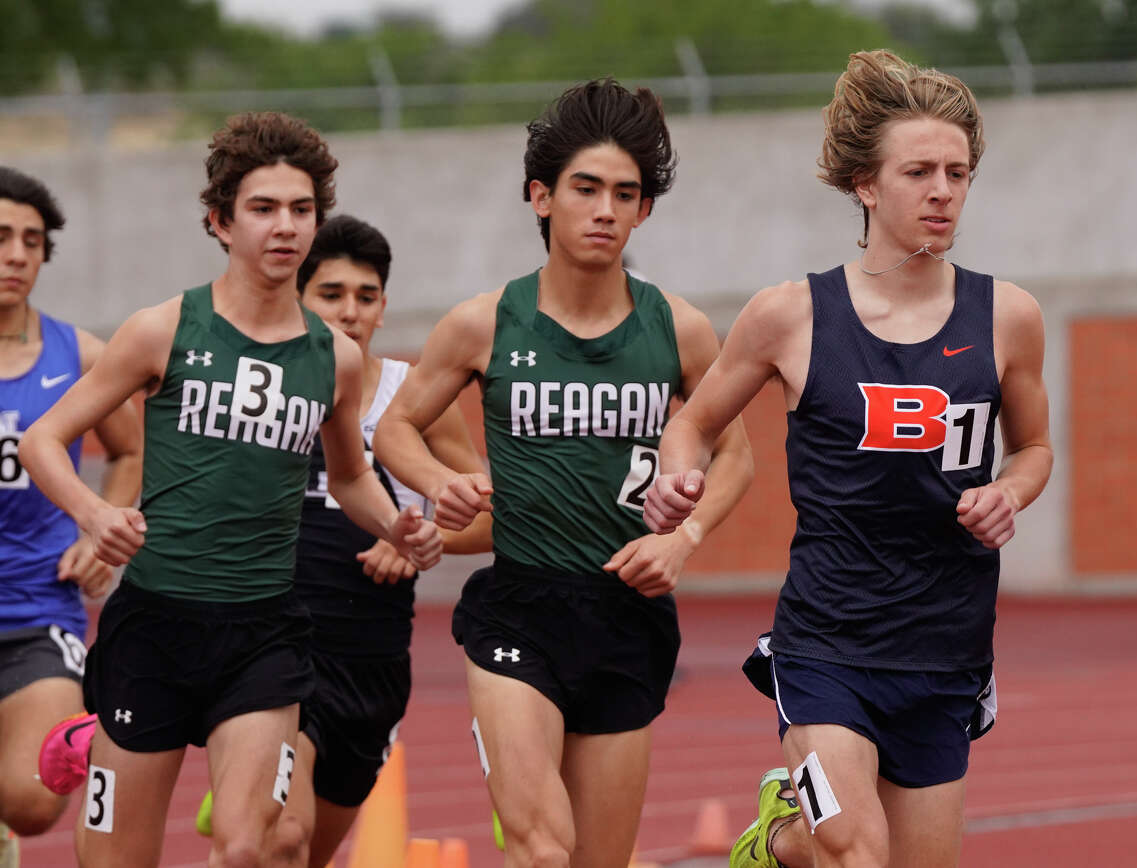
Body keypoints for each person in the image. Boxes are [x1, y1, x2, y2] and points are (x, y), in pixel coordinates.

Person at [643, 50, 1053, 868]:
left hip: (946, 649)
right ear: (867, 185)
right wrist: (674, 474)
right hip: (829, 645)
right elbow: (693, 424)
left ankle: (787, 841)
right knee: (857, 852)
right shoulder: (790, 316)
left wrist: (1011, 490)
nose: (943, 190)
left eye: (958, 173)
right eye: (919, 172)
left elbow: (1035, 448)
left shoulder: (1008, 316)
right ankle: (800, 832)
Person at [19, 112, 443, 868]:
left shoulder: (334, 360)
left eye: (302, 210)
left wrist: (395, 525)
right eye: (264, 209)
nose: (286, 227)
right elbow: (44, 439)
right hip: (155, 624)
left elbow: (348, 474)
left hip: (262, 634)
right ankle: (99, 741)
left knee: (252, 845)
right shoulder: (163, 330)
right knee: (116, 860)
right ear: (219, 221)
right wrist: (93, 512)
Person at [372, 78, 754, 868]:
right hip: (519, 610)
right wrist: (441, 483)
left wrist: (684, 542)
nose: (605, 210)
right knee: (542, 848)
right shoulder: (484, 322)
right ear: (541, 197)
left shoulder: (678, 328)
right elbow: (397, 430)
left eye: (625, 193)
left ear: (644, 209)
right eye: (586, 189)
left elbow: (738, 457)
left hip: (626, 615)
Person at [258, 213, 490, 868]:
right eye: (331, 295)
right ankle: (246, 780)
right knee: (282, 839)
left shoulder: (413, 399)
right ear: (297, 299)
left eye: (365, 297)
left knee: (309, 852)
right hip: (275, 645)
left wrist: (411, 533)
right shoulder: (264, 392)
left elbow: (491, 513)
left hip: (370, 659)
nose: (350, 312)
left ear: (383, 308)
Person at [0, 167, 141, 866]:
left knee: (31, 798)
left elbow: (134, 448)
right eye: (1, 237)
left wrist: (101, 526)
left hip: (35, 608)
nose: (17, 254)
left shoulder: (79, 354)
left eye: (31, 240)